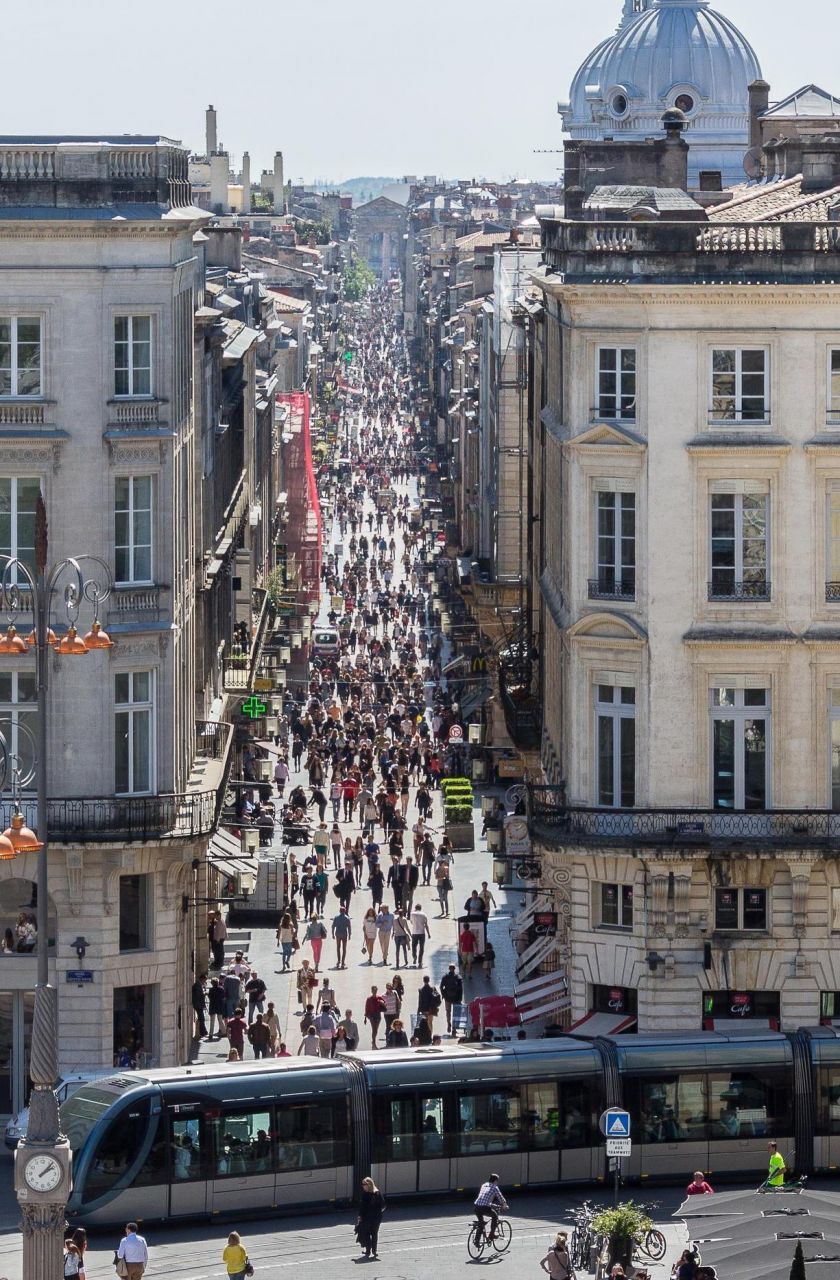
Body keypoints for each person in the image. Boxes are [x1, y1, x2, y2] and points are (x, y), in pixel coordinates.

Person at [473, 1174, 508, 1246]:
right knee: (495, 1216)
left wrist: (492, 1205)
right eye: (497, 1181)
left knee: (481, 1223)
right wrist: (504, 1205)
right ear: (495, 1181)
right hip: (484, 1208)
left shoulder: (484, 1185)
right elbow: (501, 1198)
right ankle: (491, 1235)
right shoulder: (495, 1187)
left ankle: (477, 1240)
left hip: (476, 1206)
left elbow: (484, 1197)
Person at [355, 1176, 386, 1258]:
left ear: (369, 1185)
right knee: (374, 1233)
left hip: (367, 1218)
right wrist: (378, 1212)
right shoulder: (377, 1193)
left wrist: (360, 1216)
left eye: (364, 1184)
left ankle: (369, 1250)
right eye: (362, 1184)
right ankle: (373, 1251)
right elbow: (383, 1206)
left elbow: (362, 1207)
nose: (362, 1186)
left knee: (368, 1234)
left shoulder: (365, 1194)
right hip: (376, 1218)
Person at [440, 964, 464, 1034]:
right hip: (456, 998)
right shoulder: (458, 977)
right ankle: (454, 1028)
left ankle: (448, 1023)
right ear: (454, 969)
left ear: (449, 968)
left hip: (448, 998)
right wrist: (460, 998)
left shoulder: (445, 977)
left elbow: (441, 987)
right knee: (456, 1013)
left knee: (448, 1011)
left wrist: (444, 995)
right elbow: (461, 989)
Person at [410, 902, 430, 966]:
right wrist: (429, 934)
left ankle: (414, 956)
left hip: (414, 932)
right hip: (422, 933)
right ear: (421, 908)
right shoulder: (424, 914)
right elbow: (426, 925)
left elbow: (411, 922)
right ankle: (420, 961)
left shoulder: (412, 914)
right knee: (421, 948)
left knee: (413, 946)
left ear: (415, 908)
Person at [191, 973, 208, 1039]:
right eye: (205, 980)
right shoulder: (197, 985)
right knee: (201, 1018)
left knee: (201, 1018)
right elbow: (198, 995)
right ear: (202, 979)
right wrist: (204, 994)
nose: (205, 982)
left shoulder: (198, 985)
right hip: (198, 1004)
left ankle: (203, 1032)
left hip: (198, 1004)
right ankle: (203, 1032)